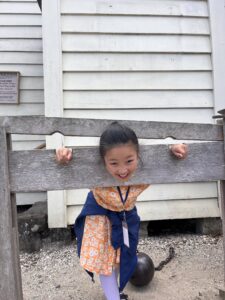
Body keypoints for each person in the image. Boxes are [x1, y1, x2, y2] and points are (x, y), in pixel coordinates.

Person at [55, 121, 188, 300]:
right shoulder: (96, 173)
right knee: (106, 264)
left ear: (138, 156)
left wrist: (171, 149)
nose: (123, 169)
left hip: (126, 218)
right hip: (101, 221)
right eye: (114, 163)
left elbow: (161, 158)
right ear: (103, 161)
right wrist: (65, 155)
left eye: (129, 161)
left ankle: (115, 292)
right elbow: (71, 165)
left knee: (119, 259)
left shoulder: (141, 173)